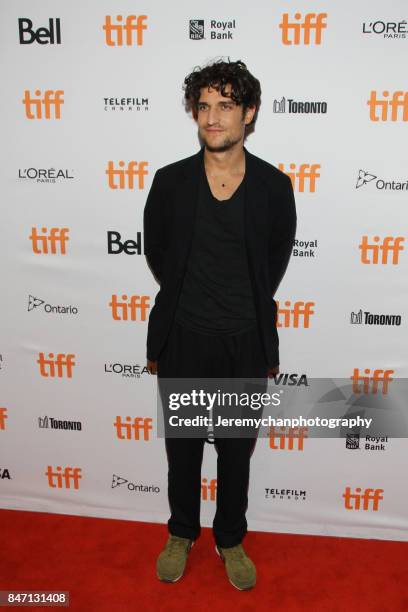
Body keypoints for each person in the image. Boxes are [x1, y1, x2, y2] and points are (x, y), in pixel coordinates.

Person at [143, 58, 297, 590]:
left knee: (236, 455)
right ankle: (181, 532)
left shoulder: (276, 188)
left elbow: (273, 262)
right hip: (183, 340)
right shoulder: (169, 183)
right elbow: (158, 253)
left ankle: (230, 539)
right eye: (203, 106)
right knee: (181, 450)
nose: (212, 117)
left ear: (248, 114)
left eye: (225, 106)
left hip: (244, 345)